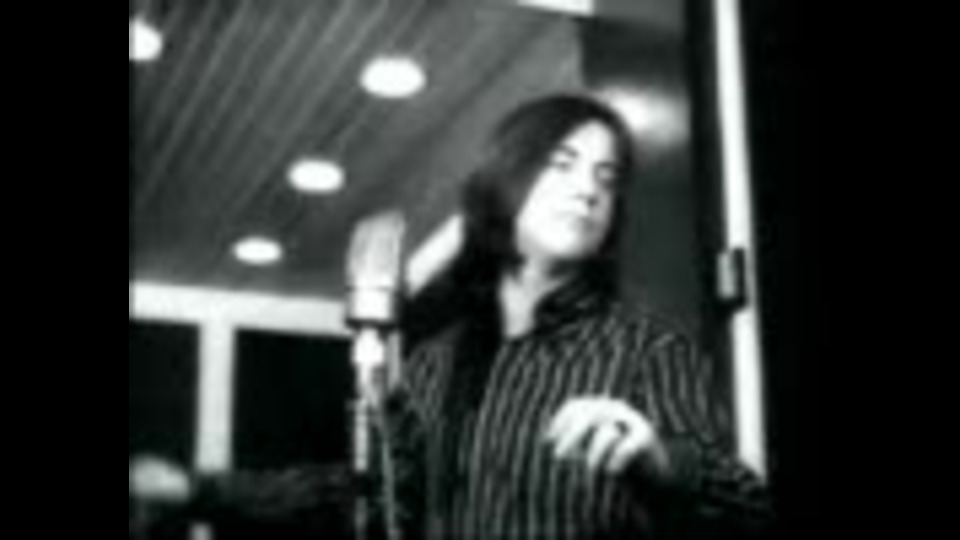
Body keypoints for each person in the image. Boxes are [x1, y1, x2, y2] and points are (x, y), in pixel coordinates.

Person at [386, 93, 773, 538]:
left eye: (606, 179)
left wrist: (662, 461)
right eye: (562, 164)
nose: (589, 191)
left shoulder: (651, 351)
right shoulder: (430, 367)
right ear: (506, 178)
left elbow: (750, 508)